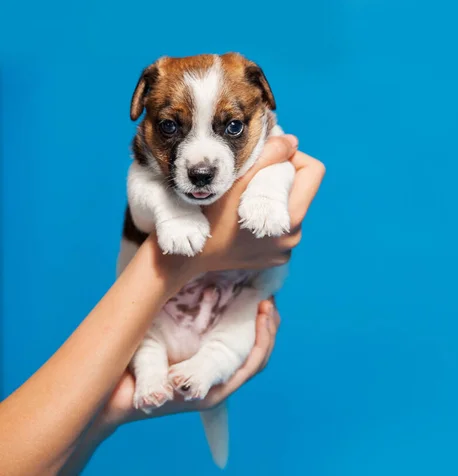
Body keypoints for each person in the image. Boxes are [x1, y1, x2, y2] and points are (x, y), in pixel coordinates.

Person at [0, 134, 325, 475]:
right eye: (172, 127)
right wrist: (181, 253)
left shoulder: (265, 139)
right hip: (161, 312)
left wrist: (267, 192)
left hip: (233, 296)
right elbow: (143, 209)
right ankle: (151, 369)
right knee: (148, 339)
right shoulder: (147, 169)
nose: (201, 160)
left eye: (230, 127)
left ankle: (210, 364)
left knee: (243, 321)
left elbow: (281, 171)